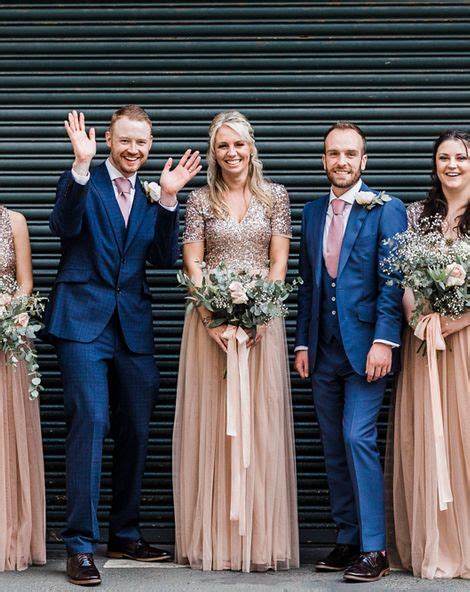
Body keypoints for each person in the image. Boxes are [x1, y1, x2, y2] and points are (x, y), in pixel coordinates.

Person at [44, 105, 201, 586]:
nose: (134, 150)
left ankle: (125, 532)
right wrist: (79, 165)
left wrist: (170, 201)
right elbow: (63, 227)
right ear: (108, 140)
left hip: (132, 327)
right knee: (91, 421)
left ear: (151, 146)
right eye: (125, 140)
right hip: (81, 323)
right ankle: (79, 546)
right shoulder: (83, 181)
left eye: (143, 143)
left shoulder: (155, 193)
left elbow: (159, 256)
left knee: (134, 427)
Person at [173, 110, 299, 572]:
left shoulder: (276, 198)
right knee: (214, 426)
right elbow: (194, 265)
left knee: (258, 426)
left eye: (239, 144)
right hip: (211, 328)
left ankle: (259, 539)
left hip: (262, 325)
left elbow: (278, 262)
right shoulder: (200, 200)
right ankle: (217, 539)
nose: (232, 153)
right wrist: (214, 319)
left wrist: (260, 315)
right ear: (214, 151)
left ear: (252, 147)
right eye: (223, 145)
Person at [294, 121, 407, 582]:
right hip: (322, 351)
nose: (341, 161)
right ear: (324, 160)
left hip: (367, 350)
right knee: (332, 445)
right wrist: (302, 341)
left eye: (350, 154)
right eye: (333, 154)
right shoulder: (311, 212)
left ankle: (375, 550)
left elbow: (392, 281)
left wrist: (384, 340)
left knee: (357, 436)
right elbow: (307, 286)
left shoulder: (386, 209)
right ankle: (347, 539)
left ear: (364, 160)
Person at [389, 130, 470, 579]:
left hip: (465, 342)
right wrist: (418, 316)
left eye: (461, 157)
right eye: (444, 157)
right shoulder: (417, 214)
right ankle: (437, 542)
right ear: (434, 164)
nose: (452, 165)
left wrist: (457, 321)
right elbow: (405, 280)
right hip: (427, 342)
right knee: (430, 439)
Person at [0, 207, 46, 571]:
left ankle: (10, 532)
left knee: (9, 435)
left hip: (7, 342)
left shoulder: (14, 221)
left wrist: (7, 311)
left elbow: (25, 282)